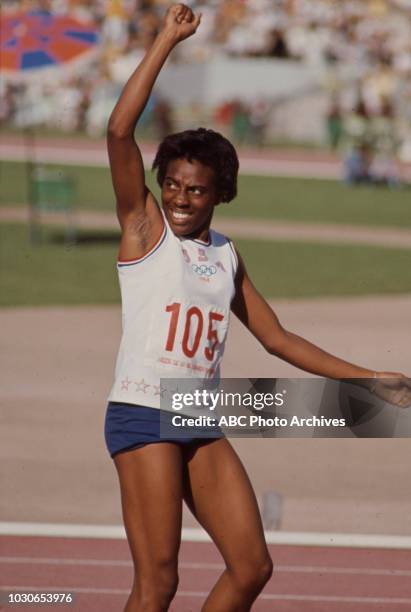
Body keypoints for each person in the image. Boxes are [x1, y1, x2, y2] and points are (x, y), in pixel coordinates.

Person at [105, 5, 411, 611]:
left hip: (197, 410)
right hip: (143, 408)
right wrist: (166, 39)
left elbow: (279, 339)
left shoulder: (225, 256)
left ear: (221, 193)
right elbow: (118, 134)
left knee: (251, 566)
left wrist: (370, 379)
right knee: (159, 580)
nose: (181, 197)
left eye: (196, 189)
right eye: (172, 183)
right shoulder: (145, 228)